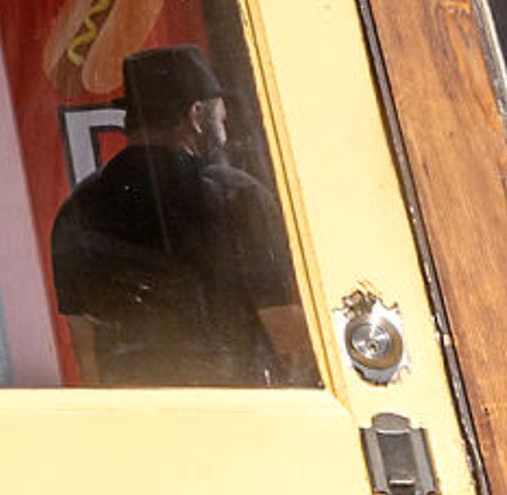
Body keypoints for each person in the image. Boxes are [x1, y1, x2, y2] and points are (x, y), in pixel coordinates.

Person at [47, 44, 310, 387]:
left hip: (138, 417)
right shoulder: (236, 196)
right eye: (221, 118)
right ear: (197, 115)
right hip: (232, 412)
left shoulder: (75, 209)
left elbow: (87, 355)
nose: (225, 131)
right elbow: (283, 330)